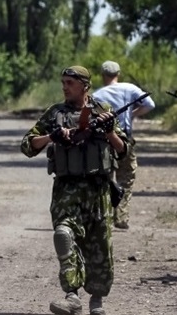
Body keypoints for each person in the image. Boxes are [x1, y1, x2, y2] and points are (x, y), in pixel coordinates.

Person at [20, 65, 129, 315]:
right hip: (66, 190)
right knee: (63, 235)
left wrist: (110, 131)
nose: (65, 87)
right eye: (63, 82)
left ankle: (97, 300)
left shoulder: (104, 112)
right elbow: (27, 145)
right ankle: (71, 295)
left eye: (70, 82)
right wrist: (51, 137)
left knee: (100, 247)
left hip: (98, 191)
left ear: (85, 86)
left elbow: (124, 151)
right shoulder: (55, 113)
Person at [92, 60, 155, 230]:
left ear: (103, 75)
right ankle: (121, 216)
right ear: (118, 74)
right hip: (125, 140)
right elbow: (150, 104)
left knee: (105, 178)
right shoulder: (130, 88)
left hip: (104, 143)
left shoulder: (97, 95)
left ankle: (104, 217)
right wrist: (132, 114)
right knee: (126, 178)